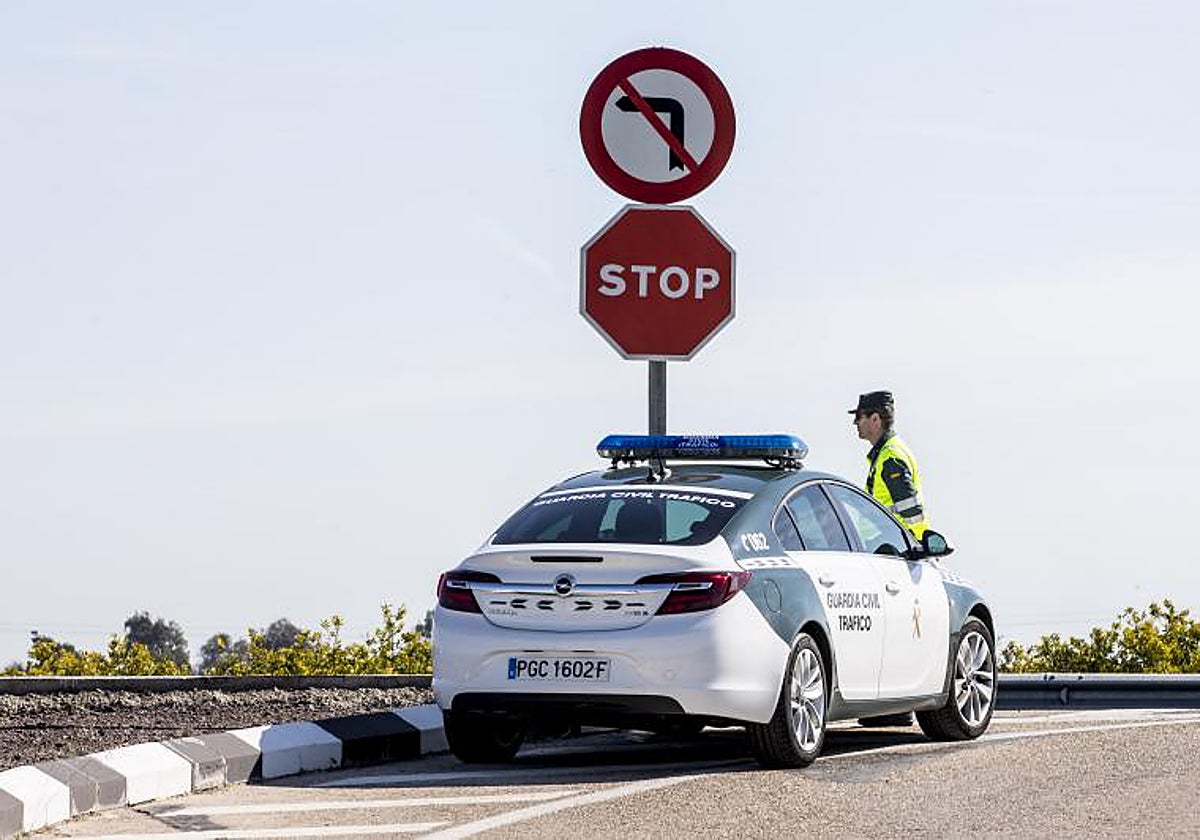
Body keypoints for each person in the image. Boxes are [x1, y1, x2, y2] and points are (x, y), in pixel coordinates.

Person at [850, 390, 928, 540]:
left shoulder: (890, 456)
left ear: (875, 419)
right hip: (892, 546)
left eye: (859, 417)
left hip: (894, 547)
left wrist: (913, 544)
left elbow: (911, 511)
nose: (855, 423)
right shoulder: (887, 452)